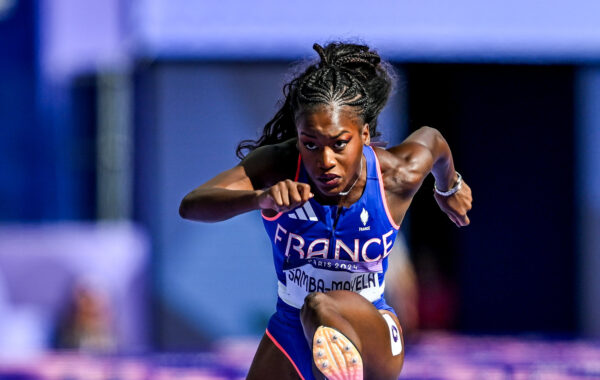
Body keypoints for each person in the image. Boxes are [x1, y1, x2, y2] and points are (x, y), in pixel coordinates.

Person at [179, 42, 472, 380]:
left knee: (320, 305)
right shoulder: (279, 165)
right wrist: (259, 198)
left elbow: (433, 140)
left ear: (364, 135)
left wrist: (449, 187)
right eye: (311, 145)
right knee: (309, 307)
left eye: (339, 144)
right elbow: (191, 205)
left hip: (371, 329)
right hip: (289, 327)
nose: (325, 162)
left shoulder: (394, 175)